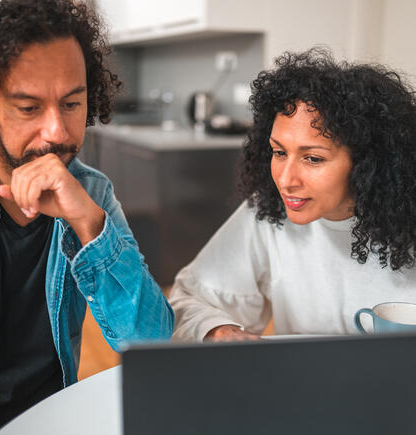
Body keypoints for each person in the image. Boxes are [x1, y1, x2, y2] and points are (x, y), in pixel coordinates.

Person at [0, 0, 174, 433]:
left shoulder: (92, 194)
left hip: (51, 422)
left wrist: (89, 225)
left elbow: (154, 346)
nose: (57, 132)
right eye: (29, 108)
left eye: (71, 104)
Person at [169, 48, 416, 343]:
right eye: (279, 152)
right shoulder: (268, 211)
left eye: (313, 159)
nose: (285, 180)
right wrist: (218, 330)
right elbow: (190, 297)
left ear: (368, 162)